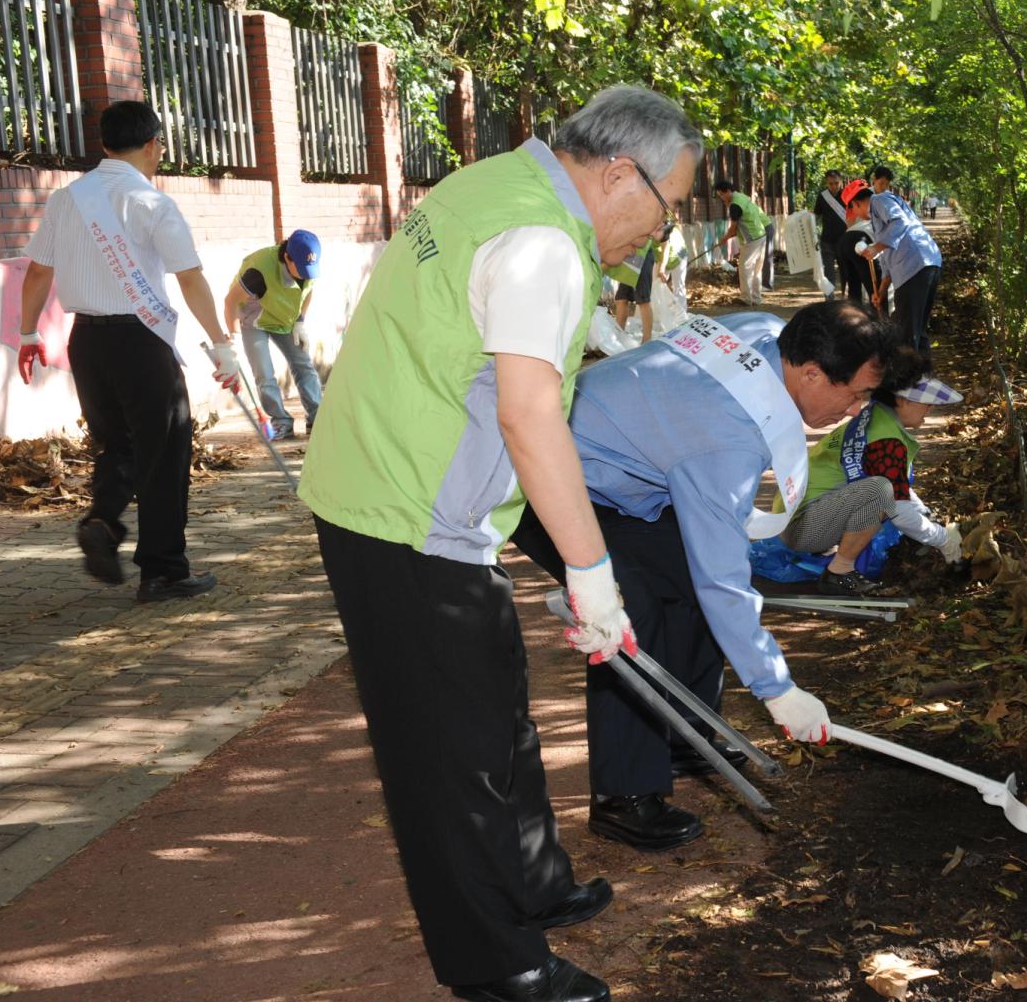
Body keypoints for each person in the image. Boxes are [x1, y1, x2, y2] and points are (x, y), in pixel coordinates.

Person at [298, 85, 702, 1002]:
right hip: (403, 518)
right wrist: (592, 574)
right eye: (667, 210)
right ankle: (498, 965)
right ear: (617, 173)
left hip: (401, 490)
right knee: (452, 756)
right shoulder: (543, 247)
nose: (660, 235)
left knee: (495, 700)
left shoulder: (496, 184)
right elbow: (529, 417)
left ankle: (534, 881)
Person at [511, 300, 895, 853]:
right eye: (855, 393)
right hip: (550, 479)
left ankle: (688, 733)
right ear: (811, 372)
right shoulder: (727, 439)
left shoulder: (770, 335)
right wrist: (777, 689)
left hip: (623, 482)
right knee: (630, 607)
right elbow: (724, 579)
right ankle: (625, 796)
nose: (857, 409)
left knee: (690, 583)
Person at [15, 100, 241, 602]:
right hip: (140, 342)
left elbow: (37, 272)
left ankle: (103, 521)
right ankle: (163, 571)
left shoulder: (65, 199)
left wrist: (28, 334)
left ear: (103, 145)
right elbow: (189, 276)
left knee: (117, 446)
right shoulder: (153, 202)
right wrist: (223, 345)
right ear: (153, 144)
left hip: (87, 343)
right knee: (165, 451)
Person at [780, 348, 965, 595]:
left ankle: (837, 559)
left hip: (797, 516)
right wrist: (943, 539)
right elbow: (896, 506)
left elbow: (900, 488)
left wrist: (924, 514)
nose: (930, 410)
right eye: (927, 403)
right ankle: (840, 572)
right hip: (803, 527)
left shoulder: (877, 418)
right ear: (902, 400)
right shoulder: (886, 441)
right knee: (879, 491)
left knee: (883, 490)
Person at [223, 228, 325, 439]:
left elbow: (309, 291)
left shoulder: (307, 268)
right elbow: (230, 302)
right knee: (264, 373)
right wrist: (231, 339)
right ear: (287, 257)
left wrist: (299, 322)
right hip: (254, 320)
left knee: (303, 365)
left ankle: (318, 418)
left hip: (284, 320)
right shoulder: (259, 271)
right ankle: (281, 422)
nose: (307, 273)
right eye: (302, 268)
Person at [863, 165, 942, 358]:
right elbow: (889, 261)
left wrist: (876, 247)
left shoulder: (879, 200)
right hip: (929, 262)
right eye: (880, 183)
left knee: (906, 333)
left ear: (857, 203)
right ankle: (924, 376)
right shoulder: (890, 205)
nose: (855, 217)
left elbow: (900, 223)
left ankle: (907, 381)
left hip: (914, 268)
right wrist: (880, 293)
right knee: (917, 330)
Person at [711, 179, 773, 305]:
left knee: (744, 268)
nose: (722, 198)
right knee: (756, 270)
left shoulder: (735, 205)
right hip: (760, 235)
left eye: (722, 195)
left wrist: (724, 239)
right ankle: (756, 298)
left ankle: (746, 298)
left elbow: (733, 228)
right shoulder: (741, 197)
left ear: (728, 191)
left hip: (751, 239)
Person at [836, 180, 883, 310]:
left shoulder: (862, 207)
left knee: (853, 293)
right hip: (862, 241)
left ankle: (852, 325)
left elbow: (849, 228)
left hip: (844, 243)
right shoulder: (881, 200)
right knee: (877, 293)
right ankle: (881, 324)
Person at [609, 240, 656, 343]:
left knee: (643, 300)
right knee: (621, 299)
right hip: (628, 258)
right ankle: (618, 338)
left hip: (642, 256)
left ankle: (646, 341)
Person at [812, 169, 849, 297]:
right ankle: (829, 300)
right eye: (830, 184)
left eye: (836, 183)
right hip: (827, 240)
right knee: (828, 273)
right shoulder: (822, 196)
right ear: (826, 183)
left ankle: (846, 298)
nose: (833, 186)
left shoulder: (847, 196)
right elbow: (816, 214)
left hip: (844, 240)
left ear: (841, 182)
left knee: (846, 272)